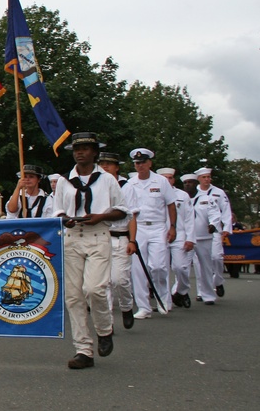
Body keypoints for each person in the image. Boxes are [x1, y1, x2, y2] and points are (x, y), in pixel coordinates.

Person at [52, 132, 127, 370]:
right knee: (73, 296)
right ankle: (83, 349)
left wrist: (101, 216)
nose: (80, 152)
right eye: (77, 149)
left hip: (98, 235)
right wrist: (65, 219)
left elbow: (123, 210)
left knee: (94, 289)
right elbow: (57, 212)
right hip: (73, 238)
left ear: (95, 152)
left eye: (85, 148)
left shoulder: (107, 180)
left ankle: (104, 330)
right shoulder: (65, 181)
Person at [126, 148, 177, 319]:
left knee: (158, 266)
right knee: (138, 269)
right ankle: (144, 307)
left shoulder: (161, 181)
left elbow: (170, 204)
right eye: (137, 163)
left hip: (158, 227)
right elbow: (127, 210)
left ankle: (163, 300)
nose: (140, 166)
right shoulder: (130, 184)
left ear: (150, 163)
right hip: (138, 227)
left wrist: (173, 227)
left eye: (143, 162)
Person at [97, 152, 138, 329]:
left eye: (109, 164)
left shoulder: (126, 187)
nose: (105, 167)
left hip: (121, 236)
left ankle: (127, 306)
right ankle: (108, 324)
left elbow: (132, 217)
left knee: (119, 280)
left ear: (117, 167)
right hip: (103, 236)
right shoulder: (97, 185)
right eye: (102, 163)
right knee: (104, 282)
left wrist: (133, 240)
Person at [194, 168, 232, 298]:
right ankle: (201, 291)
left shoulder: (218, 193)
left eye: (208, 177)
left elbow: (226, 210)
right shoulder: (194, 192)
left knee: (216, 257)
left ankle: (218, 281)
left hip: (214, 230)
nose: (207, 179)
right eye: (204, 177)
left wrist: (226, 227)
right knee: (199, 262)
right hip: (198, 231)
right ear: (198, 178)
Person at [161, 169, 194, 309]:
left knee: (180, 267)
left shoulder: (182, 195)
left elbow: (189, 219)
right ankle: (165, 302)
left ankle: (182, 291)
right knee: (161, 269)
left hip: (179, 234)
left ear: (174, 180)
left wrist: (190, 238)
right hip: (160, 234)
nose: (168, 180)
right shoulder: (155, 194)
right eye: (165, 178)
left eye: (171, 178)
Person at [189, 171, 223, 305]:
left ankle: (208, 295)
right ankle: (180, 291)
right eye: (186, 183)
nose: (188, 185)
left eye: (190, 183)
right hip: (187, 238)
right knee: (181, 267)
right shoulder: (181, 198)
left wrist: (213, 224)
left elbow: (215, 213)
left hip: (204, 237)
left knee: (206, 267)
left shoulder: (207, 198)